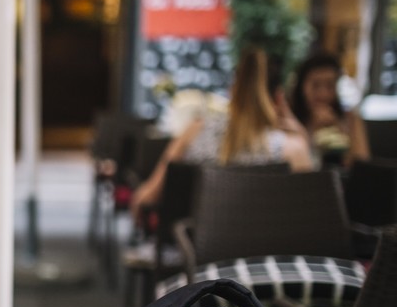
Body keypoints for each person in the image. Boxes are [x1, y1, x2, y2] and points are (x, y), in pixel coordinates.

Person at [131, 48, 312, 219]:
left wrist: (137, 198)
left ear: (233, 90)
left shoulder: (196, 130)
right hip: (266, 251)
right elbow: (308, 215)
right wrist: (301, 134)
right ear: (279, 98)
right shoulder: (292, 148)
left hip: (198, 247)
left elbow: (150, 195)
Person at [289, 50, 370, 168]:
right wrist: (311, 128)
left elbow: (362, 165)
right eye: (315, 85)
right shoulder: (290, 119)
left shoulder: (350, 118)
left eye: (330, 85)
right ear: (302, 85)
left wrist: (341, 130)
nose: (323, 94)